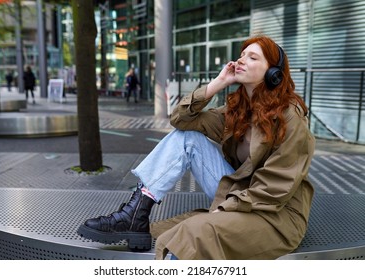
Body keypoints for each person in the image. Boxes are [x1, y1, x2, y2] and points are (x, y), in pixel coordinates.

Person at [77, 35, 315, 260]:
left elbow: (276, 187)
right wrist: (217, 83)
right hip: (238, 192)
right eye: (242, 55)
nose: (241, 59)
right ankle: (136, 212)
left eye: (253, 57)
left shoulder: (290, 117)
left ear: (274, 73)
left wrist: (225, 208)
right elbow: (181, 119)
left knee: (194, 233)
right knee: (187, 138)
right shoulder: (238, 112)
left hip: (275, 212)